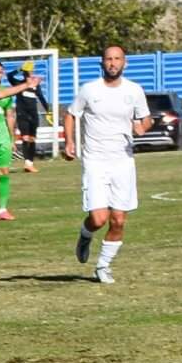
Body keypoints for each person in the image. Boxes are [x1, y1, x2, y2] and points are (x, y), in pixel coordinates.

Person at [66, 45, 153, 285]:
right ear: (102, 63)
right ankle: (85, 235)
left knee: (119, 220)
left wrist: (142, 127)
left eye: (117, 59)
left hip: (123, 161)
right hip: (95, 161)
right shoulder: (89, 90)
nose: (113, 63)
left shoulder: (134, 90)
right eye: (108, 59)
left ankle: (103, 266)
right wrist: (69, 143)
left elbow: (146, 119)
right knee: (98, 219)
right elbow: (71, 114)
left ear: (124, 63)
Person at [0, 63, 44, 222]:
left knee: (4, 172)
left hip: (2, 138)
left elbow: (10, 116)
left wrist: (11, 139)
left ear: (2, 74)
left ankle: (2, 209)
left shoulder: (6, 95)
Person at [13, 76, 42, 174]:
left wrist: (47, 109)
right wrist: (18, 69)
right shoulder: (18, 83)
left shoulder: (35, 85)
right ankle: (27, 163)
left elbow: (41, 96)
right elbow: (9, 76)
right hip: (22, 115)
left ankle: (30, 163)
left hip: (33, 116)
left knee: (32, 139)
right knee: (25, 138)